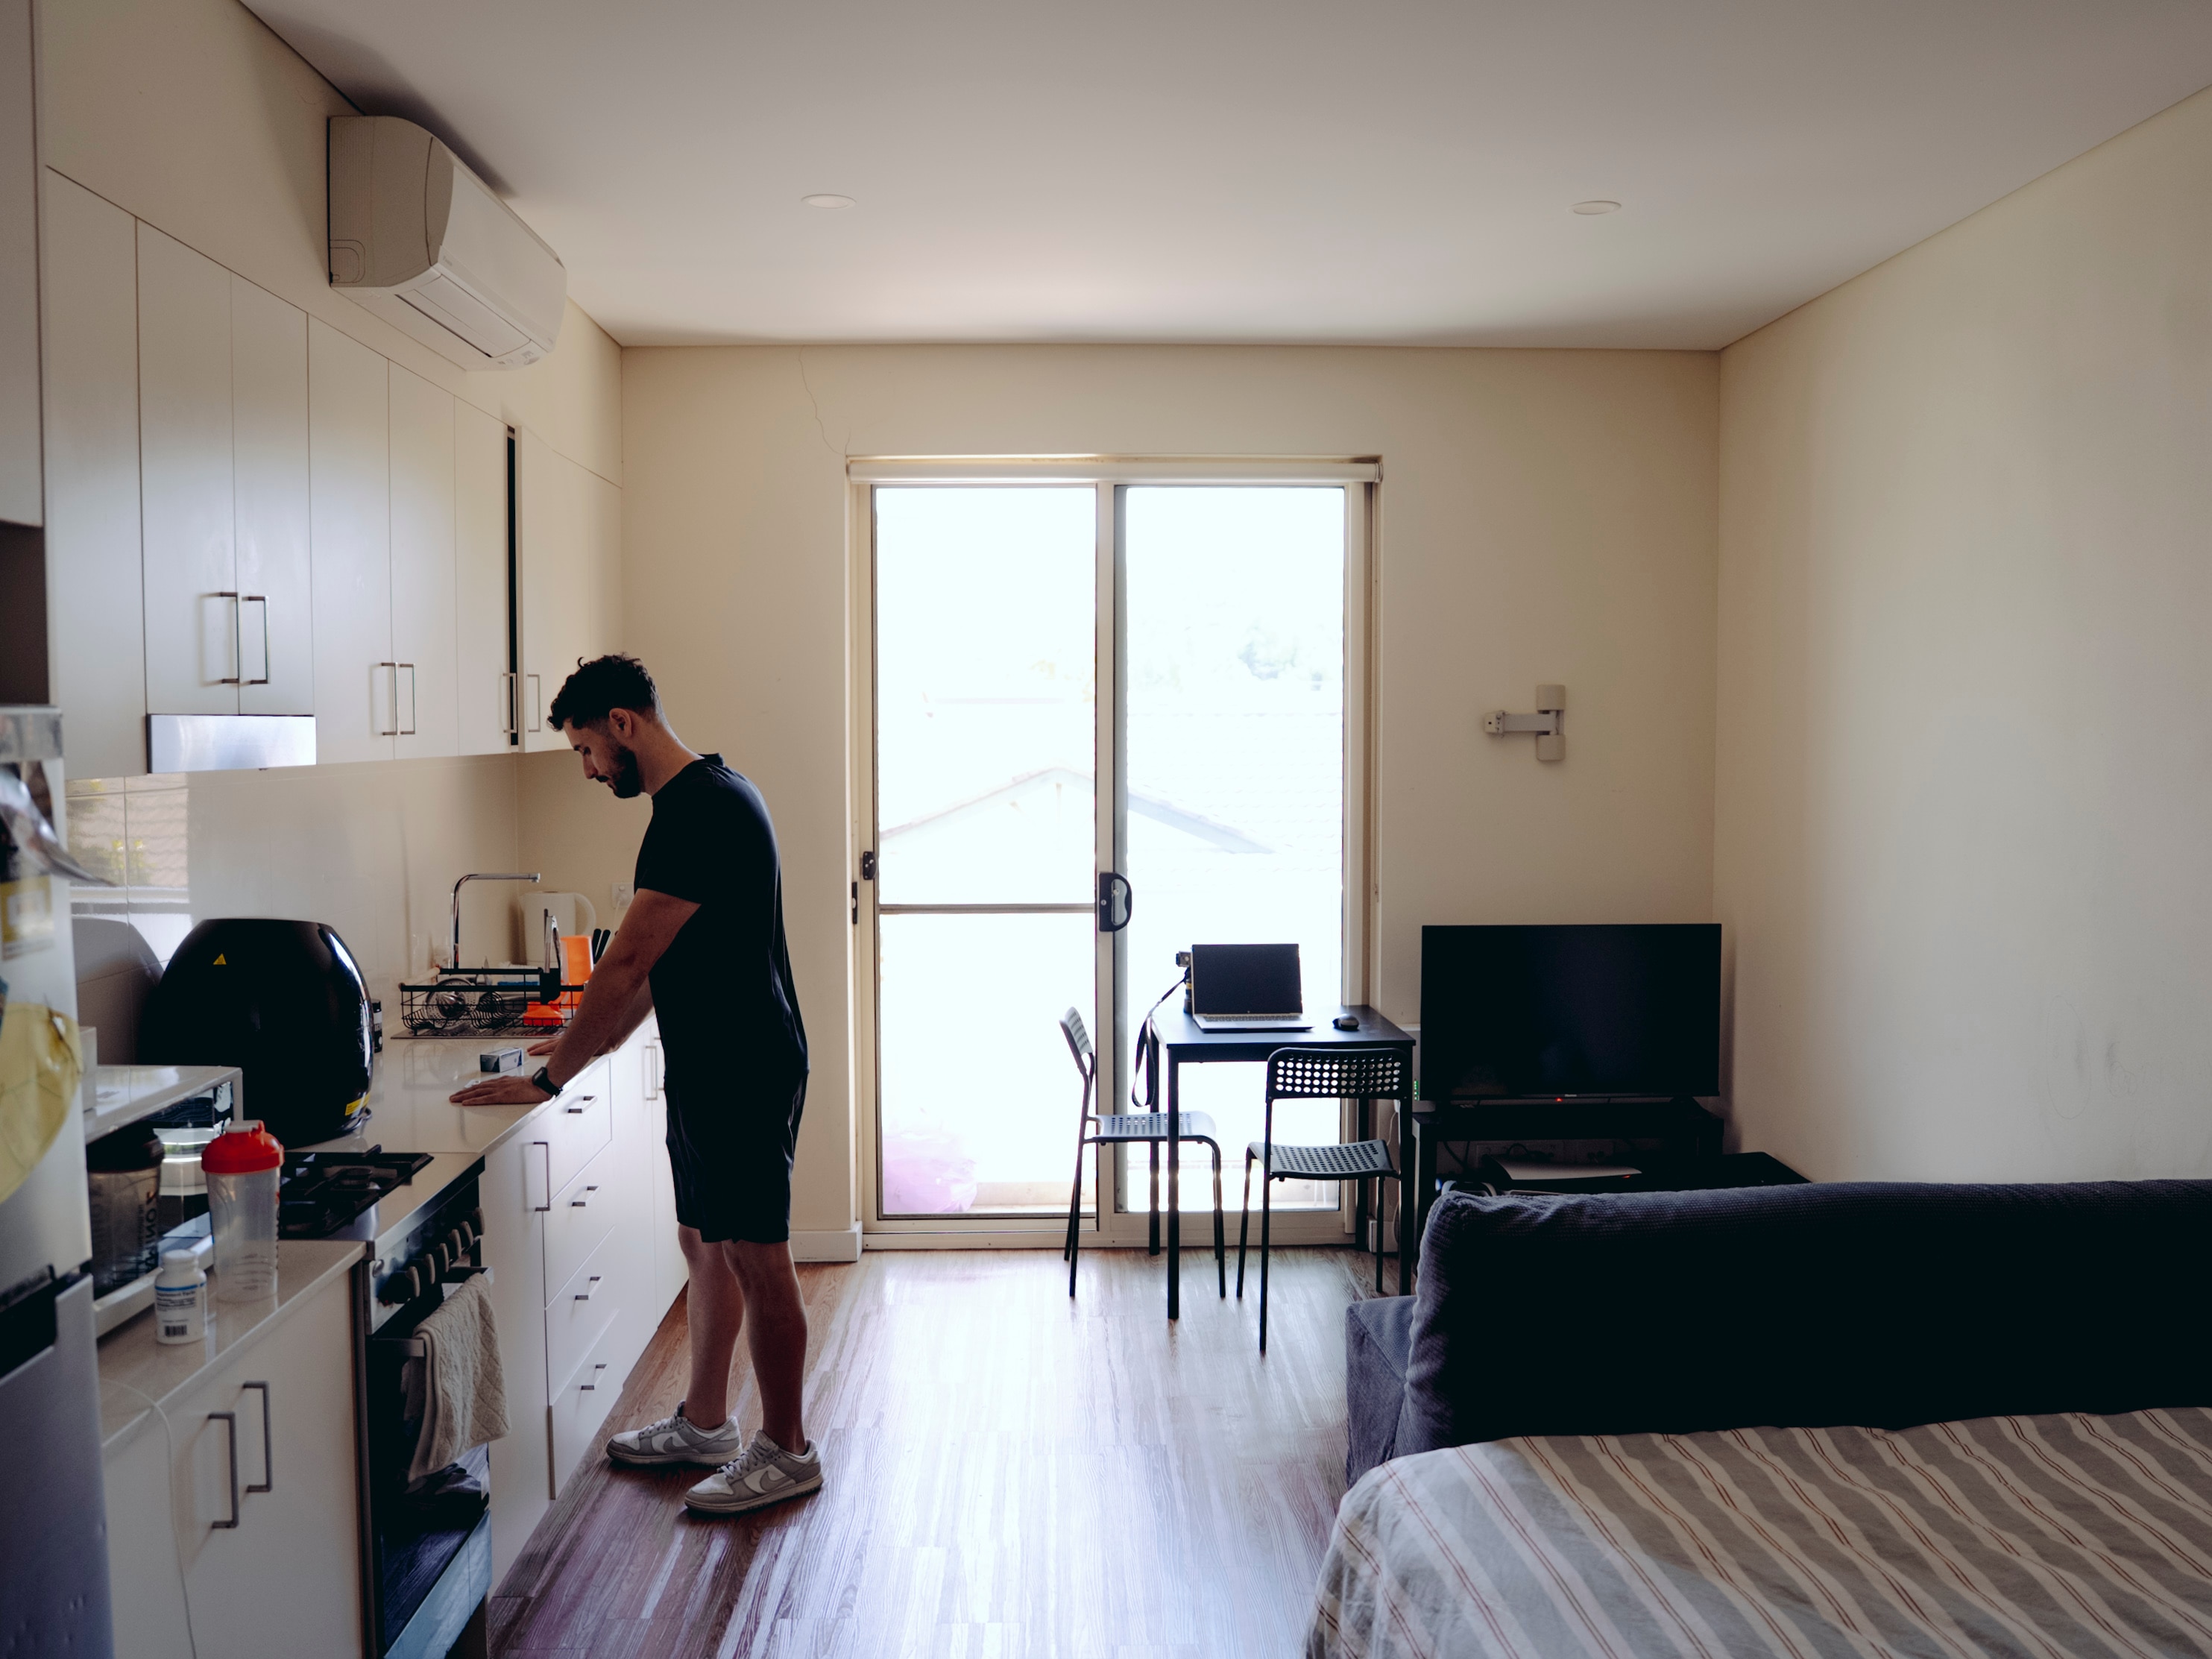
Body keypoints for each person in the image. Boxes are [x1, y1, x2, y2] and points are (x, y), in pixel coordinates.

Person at [450, 653, 816, 1517]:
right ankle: (706, 1423)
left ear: (624, 724)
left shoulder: (697, 811)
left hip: (745, 1065)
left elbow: (628, 960)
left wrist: (550, 1076)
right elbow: (654, 971)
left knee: (758, 1255)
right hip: (710, 1061)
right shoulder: (713, 793)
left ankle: (789, 1447)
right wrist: (578, 1057)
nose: (586, 769)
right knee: (705, 1241)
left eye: (586, 748)